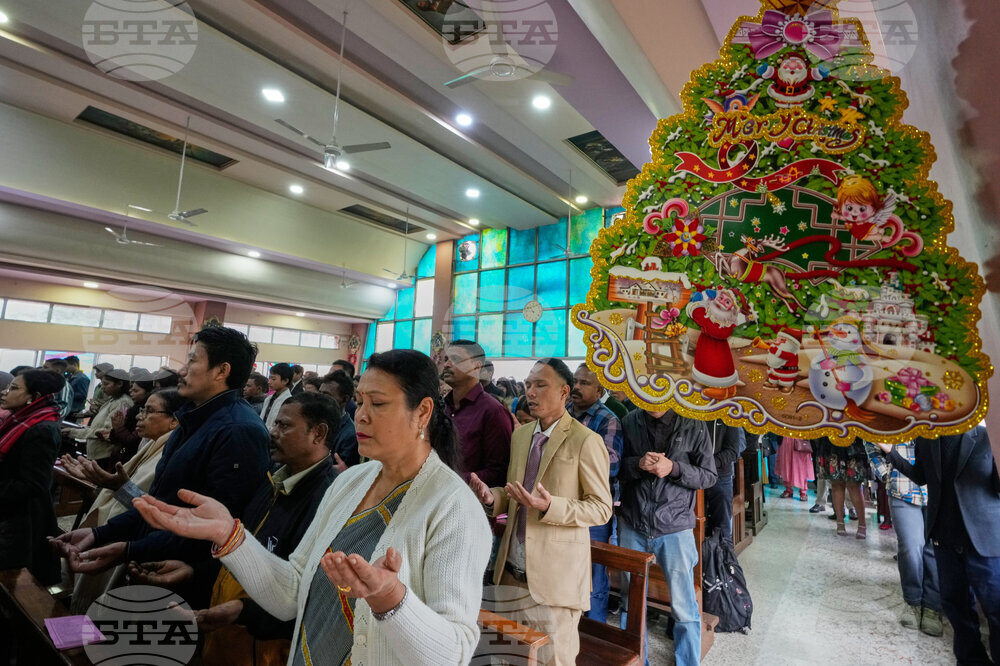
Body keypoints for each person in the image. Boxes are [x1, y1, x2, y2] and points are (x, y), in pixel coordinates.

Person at [133, 349, 492, 665]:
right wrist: (229, 535)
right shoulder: (352, 481)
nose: (361, 416)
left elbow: (454, 652)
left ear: (423, 411)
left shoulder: (452, 507)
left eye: (378, 404)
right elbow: (292, 591)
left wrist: (390, 599)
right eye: (361, 401)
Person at [51, 326, 272, 598]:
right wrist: (100, 534)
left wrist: (128, 549)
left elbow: (216, 528)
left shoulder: (238, 430)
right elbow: (161, 502)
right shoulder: (192, 419)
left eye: (192, 360)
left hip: (180, 580)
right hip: (154, 554)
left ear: (221, 371)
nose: (182, 370)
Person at [131, 392, 341, 665]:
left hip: (265, 648)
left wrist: (241, 611)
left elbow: (305, 596)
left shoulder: (326, 499)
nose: (273, 432)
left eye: (284, 426)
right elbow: (244, 550)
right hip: (228, 635)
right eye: (275, 423)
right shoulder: (273, 480)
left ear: (318, 434)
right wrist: (195, 570)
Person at [470, 357, 612, 666]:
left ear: (564, 391)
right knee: (509, 656)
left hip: (554, 578)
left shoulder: (586, 440)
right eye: (529, 385)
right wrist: (492, 498)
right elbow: (514, 492)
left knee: (553, 659)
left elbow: (601, 508)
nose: (530, 392)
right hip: (511, 570)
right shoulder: (521, 435)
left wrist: (551, 506)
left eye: (540, 385)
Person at [876, 426, 1000, 664]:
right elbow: (921, 475)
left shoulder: (987, 431)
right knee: (957, 611)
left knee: (996, 610)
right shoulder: (928, 434)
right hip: (944, 536)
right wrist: (891, 451)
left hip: (985, 539)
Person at [64, 388, 184, 613]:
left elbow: (153, 507)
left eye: (149, 411)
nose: (139, 416)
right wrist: (99, 482)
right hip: (117, 528)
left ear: (173, 422)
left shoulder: (171, 453)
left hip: (130, 538)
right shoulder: (152, 444)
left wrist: (115, 486)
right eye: (141, 410)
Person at [618, 406, 716, 665]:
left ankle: (688, 661)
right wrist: (638, 464)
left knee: (683, 605)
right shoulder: (629, 421)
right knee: (631, 602)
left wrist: (674, 468)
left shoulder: (693, 423)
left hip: (675, 527)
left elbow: (708, 476)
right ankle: (638, 660)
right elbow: (615, 468)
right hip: (632, 522)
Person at [866, 441, 943, 637]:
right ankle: (913, 602)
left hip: (937, 490)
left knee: (934, 549)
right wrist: (886, 474)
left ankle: (933, 606)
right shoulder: (884, 412)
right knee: (910, 547)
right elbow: (871, 444)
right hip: (902, 488)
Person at [568, 363, 622, 623]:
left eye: (584, 383)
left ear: (599, 388)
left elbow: (611, 465)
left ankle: (595, 630)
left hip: (593, 511)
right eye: (575, 381)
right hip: (563, 504)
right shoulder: (562, 413)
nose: (576, 387)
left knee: (593, 575)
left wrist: (570, 460)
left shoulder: (607, 419)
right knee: (565, 572)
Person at [0, 370, 65, 584]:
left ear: (34, 397)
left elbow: (34, 484)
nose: (5, 392)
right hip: (10, 509)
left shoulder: (41, 428)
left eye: (14, 388)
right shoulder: (20, 420)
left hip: (20, 520)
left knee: (17, 579)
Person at [441, 340, 512, 488]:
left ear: (477, 366)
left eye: (456, 359)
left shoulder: (493, 411)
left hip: (471, 501)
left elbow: (499, 472)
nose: (447, 365)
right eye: (446, 359)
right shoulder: (442, 407)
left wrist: (452, 480)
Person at [62, 368, 133, 467]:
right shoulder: (113, 400)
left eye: (106, 384)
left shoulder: (122, 402)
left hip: (105, 455)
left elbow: (106, 432)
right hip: (98, 453)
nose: (102, 387)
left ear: (120, 384)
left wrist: (75, 432)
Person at [814, 437, 869, 538]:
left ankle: (862, 523)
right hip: (831, 440)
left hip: (853, 440)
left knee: (854, 485)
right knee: (836, 483)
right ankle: (840, 522)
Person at [704, 419, 745, 542]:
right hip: (696, 476)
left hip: (720, 476)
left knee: (722, 526)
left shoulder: (728, 414)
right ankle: (703, 558)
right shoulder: (695, 414)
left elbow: (733, 451)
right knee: (697, 522)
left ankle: (723, 557)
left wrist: (708, 463)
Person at [108, 368, 154, 466]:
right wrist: (114, 429)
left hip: (130, 457)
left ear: (148, 392)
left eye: (135, 391)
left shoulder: (143, 412)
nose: (131, 393)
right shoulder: (133, 408)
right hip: (120, 454)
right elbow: (116, 437)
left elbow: (133, 440)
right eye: (131, 389)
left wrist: (119, 428)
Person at [319, 371, 360, 471]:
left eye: (326, 395)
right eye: (319, 393)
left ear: (344, 399)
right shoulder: (315, 421)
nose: (320, 399)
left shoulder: (350, 435)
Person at [777, 436, 813, 503]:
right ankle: (788, 490)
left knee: (802, 466)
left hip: (800, 436)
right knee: (786, 465)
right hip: (786, 436)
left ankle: (803, 492)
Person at [261, 363, 294, 430]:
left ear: (285, 381)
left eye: (273, 379)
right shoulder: (269, 398)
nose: (269, 382)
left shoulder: (288, 401)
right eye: (269, 378)